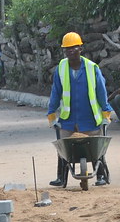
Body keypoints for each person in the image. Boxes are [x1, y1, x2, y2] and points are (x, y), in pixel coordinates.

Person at [46, 32, 114, 187]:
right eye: (67, 48)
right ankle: (61, 178)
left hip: (89, 117)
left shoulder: (92, 68)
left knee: (96, 150)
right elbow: (56, 92)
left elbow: (101, 92)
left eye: (74, 47)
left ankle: (102, 176)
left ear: (80, 48)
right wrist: (51, 114)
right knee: (63, 148)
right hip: (68, 119)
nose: (71, 51)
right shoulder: (61, 68)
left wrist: (106, 113)